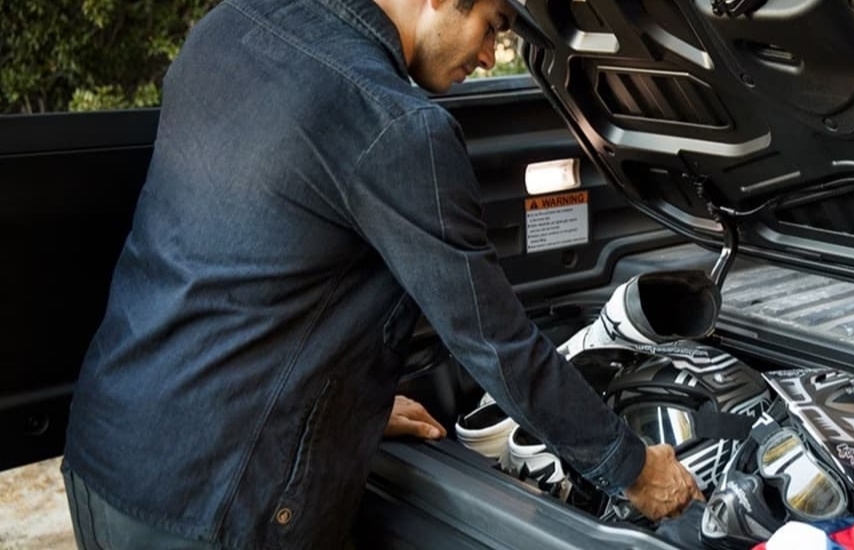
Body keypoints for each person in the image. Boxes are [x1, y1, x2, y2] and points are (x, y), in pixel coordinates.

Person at [60, 0, 703, 547]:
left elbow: (242, 266)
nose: (489, 57)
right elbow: (494, 342)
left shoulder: (232, 24)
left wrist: (341, 408)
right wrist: (632, 467)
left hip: (107, 457)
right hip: (214, 506)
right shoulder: (394, 125)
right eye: (494, 25)